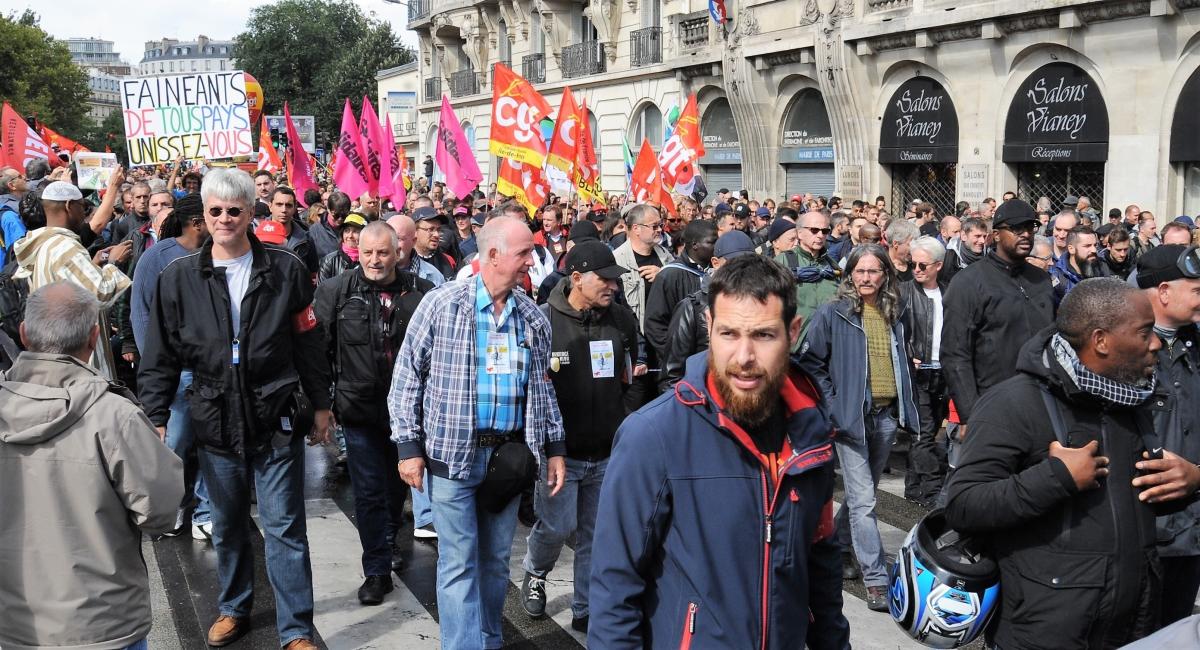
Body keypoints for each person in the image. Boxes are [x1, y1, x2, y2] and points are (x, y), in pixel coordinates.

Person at [588, 253, 851, 648]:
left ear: (793, 331)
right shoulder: (654, 435)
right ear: (708, 326)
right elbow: (614, 586)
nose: (744, 358)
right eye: (728, 334)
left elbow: (821, 569)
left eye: (763, 335)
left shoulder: (811, 433)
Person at [137, 167, 334, 650]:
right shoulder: (178, 277)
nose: (224, 219)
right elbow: (160, 353)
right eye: (215, 210)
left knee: (285, 528)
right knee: (226, 525)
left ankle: (295, 629)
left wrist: (322, 405)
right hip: (213, 415)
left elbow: (308, 342)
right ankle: (233, 607)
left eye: (234, 210)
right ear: (204, 215)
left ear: (249, 213)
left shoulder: (286, 269)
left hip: (275, 414)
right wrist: (156, 416)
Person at [946, 277, 1200, 649]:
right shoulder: (1014, 402)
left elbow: (1127, 502)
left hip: (1131, 628)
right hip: (1044, 634)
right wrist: (1057, 477)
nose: (1156, 343)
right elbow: (963, 505)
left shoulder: (1135, 400)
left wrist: (1189, 482)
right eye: (1144, 333)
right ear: (1101, 341)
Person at [389, 216, 567, 650]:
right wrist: (408, 447)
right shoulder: (442, 305)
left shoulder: (532, 317)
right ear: (493, 255)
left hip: (508, 461)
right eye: (523, 253)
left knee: (494, 563)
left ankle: (487, 639)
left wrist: (555, 448)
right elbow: (406, 378)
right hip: (452, 459)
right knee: (458, 564)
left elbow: (543, 388)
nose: (531, 261)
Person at [0, 282, 184, 650]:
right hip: (104, 623)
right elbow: (161, 513)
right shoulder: (115, 415)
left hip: (16, 622)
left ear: (24, 333)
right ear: (94, 338)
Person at [519, 241, 638, 634]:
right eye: (604, 280)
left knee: (596, 534)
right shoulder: (542, 320)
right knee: (556, 526)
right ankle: (536, 571)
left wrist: (624, 427)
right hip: (560, 454)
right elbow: (531, 388)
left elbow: (631, 377)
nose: (613, 287)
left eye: (615, 280)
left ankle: (586, 606)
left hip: (607, 452)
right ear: (576, 278)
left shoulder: (621, 320)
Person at [315, 222, 433, 605]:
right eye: (368, 253)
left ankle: (388, 537)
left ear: (398, 252)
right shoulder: (336, 291)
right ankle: (377, 569)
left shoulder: (421, 292)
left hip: (407, 412)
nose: (375, 260)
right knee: (367, 490)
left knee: (397, 485)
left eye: (383, 252)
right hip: (358, 409)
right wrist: (323, 404)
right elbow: (319, 350)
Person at [798, 244, 920, 610]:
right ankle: (876, 579)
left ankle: (834, 545)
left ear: (885, 275)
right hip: (850, 420)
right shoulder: (833, 312)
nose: (866, 277)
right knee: (865, 499)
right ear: (850, 274)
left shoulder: (896, 311)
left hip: (885, 416)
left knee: (859, 496)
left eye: (873, 271)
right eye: (860, 271)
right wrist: (834, 407)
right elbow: (811, 363)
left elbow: (901, 358)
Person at [129, 194, 214, 540]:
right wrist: (157, 368)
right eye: (212, 213)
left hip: (209, 369)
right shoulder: (156, 258)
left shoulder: (218, 253)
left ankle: (205, 511)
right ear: (197, 222)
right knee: (175, 444)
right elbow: (140, 314)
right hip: (175, 373)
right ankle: (174, 505)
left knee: (210, 441)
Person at [942, 200, 1055, 429]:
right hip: (992, 407)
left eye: (1030, 228)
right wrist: (970, 415)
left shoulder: (1042, 280)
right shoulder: (968, 282)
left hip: (1042, 404)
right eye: (1016, 229)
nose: (1025, 234)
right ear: (996, 235)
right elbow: (955, 354)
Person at [1136, 245, 1200, 626]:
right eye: (1196, 290)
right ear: (1163, 291)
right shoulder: (1124, 351)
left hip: (1190, 535)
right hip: (1141, 533)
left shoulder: (1195, 344)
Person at [12, 181, 133, 381]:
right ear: (69, 206)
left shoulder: (47, 244)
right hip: (77, 357)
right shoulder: (65, 246)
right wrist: (114, 262)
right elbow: (100, 294)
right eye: (82, 206)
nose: (84, 213)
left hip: (55, 350)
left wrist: (93, 265)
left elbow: (71, 286)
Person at [660, 230, 756, 391]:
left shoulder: (762, 306)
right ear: (716, 263)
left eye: (749, 264)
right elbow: (672, 376)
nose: (743, 271)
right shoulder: (691, 307)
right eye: (734, 263)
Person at [899, 236, 950, 507]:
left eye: (922, 265)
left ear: (938, 265)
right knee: (924, 431)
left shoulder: (949, 292)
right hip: (916, 373)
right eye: (913, 264)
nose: (916, 269)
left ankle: (913, 487)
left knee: (926, 433)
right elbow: (895, 330)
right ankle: (931, 491)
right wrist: (908, 355)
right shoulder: (903, 292)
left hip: (942, 373)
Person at [642, 219, 716, 362]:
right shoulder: (669, 275)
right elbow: (654, 324)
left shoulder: (717, 272)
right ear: (695, 244)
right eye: (711, 242)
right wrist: (676, 356)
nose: (716, 246)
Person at [776, 209, 839, 327]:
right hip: (796, 335)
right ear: (799, 233)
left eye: (825, 231)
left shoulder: (832, 265)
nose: (820, 235)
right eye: (814, 230)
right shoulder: (782, 262)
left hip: (828, 334)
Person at [1050, 225, 1107, 305]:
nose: (1094, 250)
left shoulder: (1102, 268)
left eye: (1095, 245)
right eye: (1087, 246)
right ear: (1071, 249)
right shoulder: (1057, 278)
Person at [386, 214, 446, 287]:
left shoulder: (434, 276)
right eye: (387, 239)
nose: (392, 244)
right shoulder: (374, 271)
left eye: (398, 238)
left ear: (413, 241)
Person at [270, 187, 319, 274]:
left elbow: (313, 272)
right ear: (270, 206)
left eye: (288, 205)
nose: (284, 210)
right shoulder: (257, 235)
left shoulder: (306, 237)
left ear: (295, 207)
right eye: (279, 204)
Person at [318, 212, 368, 284]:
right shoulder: (329, 261)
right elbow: (322, 289)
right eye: (347, 231)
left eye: (356, 231)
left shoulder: (370, 260)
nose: (350, 236)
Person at [412, 206, 457, 281]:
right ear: (415, 231)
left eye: (438, 229)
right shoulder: (405, 264)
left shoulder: (448, 260)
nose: (437, 234)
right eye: (431, 229)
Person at [941, 216, 988, 284]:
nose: (982, 241)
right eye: (977, 236)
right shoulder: (950, 257)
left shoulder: (989, 254)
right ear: (964, 236)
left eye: (984, 236)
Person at [309, 190, 349, 259]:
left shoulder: (352, 227)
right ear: (328, 209)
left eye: (344, 215)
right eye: (336, 215)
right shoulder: (315, 230)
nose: (340, 219)